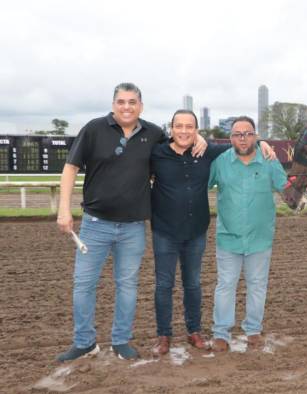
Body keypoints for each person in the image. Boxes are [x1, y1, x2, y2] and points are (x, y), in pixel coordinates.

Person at [55, 83, 207, 362]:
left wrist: (201, 139)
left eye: (132, 102)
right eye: (122, 102)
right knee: (83, 285)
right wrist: (63, 210)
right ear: (114, 104)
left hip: (133, 227)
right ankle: (84, 342)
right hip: (95, 223)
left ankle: (121, 341)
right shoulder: (93, 129)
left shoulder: (154, 134)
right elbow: (70, 168)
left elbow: (179, 143)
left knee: (127, 286)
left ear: (141, 106)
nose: (127, 107)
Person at [149, 110, 276, 356]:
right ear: (171, 129)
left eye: (189, 127)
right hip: (164, 231)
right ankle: (163, 335)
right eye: (179, 126)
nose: (184, 131)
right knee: (164, 285)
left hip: (196, 231)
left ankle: (194, 331)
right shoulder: (157, 154)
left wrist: (263, 143)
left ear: (197, 130)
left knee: (193, 284)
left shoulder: (208, 151)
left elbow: (242, 142)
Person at [208, 116, 287, 352]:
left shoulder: (270, 161)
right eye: (237, 134)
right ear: (231, 138)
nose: (243, 138)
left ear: (256, 135)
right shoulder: (220, 162)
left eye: (248, 133)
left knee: (257, 286)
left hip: (260, 239)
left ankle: (253, 331)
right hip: (228, 238)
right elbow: (198, 184)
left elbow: (286, 189)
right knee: (225, 285)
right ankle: (221, 333)